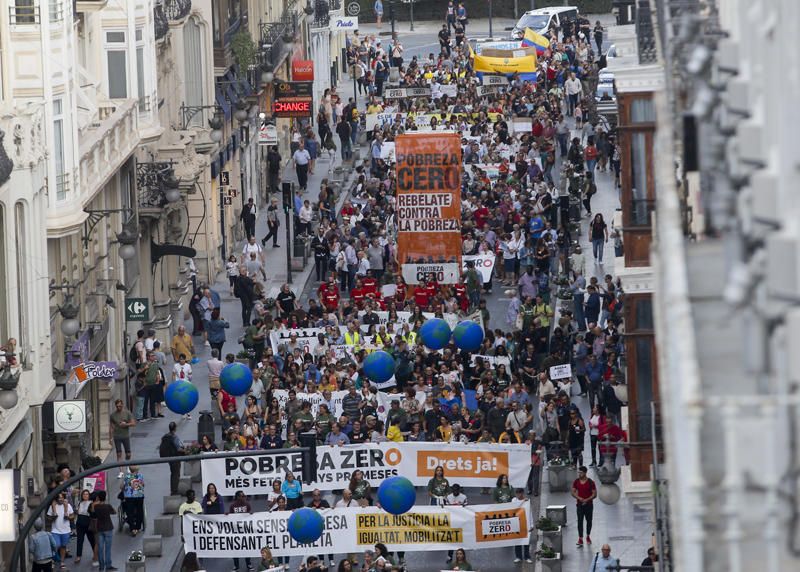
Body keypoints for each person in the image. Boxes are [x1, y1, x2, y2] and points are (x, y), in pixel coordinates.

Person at [90, 490, 116, 571]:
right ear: (105, 497)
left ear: (98, 498)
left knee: (100, 549)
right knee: (107, 549)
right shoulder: (107, 506)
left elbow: (92, 512)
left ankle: (101, 566)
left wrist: (95, 503)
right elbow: (114, 512)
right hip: (108, 528)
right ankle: (108, 565)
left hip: (100, 529)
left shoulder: (96, 507)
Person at [46, 491, 74, 567]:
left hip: (66, 530)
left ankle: (62, 561)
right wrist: (54, 515)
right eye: (59, 498)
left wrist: (67, 517)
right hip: (55, 530)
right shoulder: (52, 506)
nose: (61, 499)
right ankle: (53, 559)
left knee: (63, 546)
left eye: (62, 497)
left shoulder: (68, 506)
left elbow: (72, 516)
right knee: (56, 545)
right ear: (57, 499)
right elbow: (48, 518)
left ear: (64, 498)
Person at [572, 466, 597, 547]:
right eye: (578, 472)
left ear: (585, 473)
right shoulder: (576, 481)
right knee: (580, 521)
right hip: (579, 505)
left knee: (589, 521)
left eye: (581, 473)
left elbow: (594, 494)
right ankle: (580, 538)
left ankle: (588, 536)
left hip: (589, 505)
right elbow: (573, 492)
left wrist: (587, 499)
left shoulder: (590, 482)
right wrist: (579, 498)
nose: (579, 474)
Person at [109, 399, 135, 478]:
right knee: (119, 454)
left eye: (120, 406)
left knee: (128, 454)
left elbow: (133, 423)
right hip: (117, 436)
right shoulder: (113, 415)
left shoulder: (127, 413)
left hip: (125, 436)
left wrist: (126, 424)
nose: (119, 407)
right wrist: (110, 438)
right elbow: (111, 427)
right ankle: (121, 471)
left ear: (122, 405)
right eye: (117, 406)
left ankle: (127, 465)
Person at [228, 491, 254, 571]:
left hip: (245, 529)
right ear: (237, 497)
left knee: (246, 546)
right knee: (235, 548)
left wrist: (251, 514)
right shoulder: (233, 505)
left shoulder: (247, 504)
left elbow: (250, 514)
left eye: (244, 496)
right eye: (242, 496)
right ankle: (236, 565)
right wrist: (227, 515)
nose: (244, 497)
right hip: (236, 530)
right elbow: (230, 516)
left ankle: (248, 563)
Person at [160, 422, 185, 495]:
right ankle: (174, 491)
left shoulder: (166, 436)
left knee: (173, 473)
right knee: (176, 474)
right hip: (175, 457)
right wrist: (186, 451)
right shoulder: (174, 437)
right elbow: (178, 449)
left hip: (169, 457)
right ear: (175, 428)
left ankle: (173, 490)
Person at [74, 489, 98, 566]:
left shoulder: (91, 503)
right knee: (80, 540)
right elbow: (77, 512)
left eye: (87, 494)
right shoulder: (79, 503)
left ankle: (95, 555)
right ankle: (78, 556)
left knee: (92, 540)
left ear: (89, 495)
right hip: (80, 523)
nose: (85, 495)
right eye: (84, 494)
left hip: (88, 523)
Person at [120, 465, 145, 536]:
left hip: (129, 496)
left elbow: (122, 487)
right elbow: (143, 484)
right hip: (139, 496)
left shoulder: (126, 477)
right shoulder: (140, 476)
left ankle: (132, 529)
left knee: (129, 512)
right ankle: (137, 527)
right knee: (140, 511)